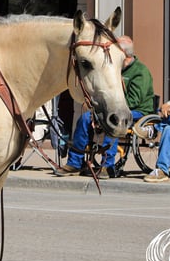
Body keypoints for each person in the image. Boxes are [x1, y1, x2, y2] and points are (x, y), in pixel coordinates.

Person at [56, 35, 155, 178]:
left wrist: (109, 108)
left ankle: (106, 165)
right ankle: (75, 163)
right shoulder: (115, 69)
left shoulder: (141, 72)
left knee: (114, 119)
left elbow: (134, 101)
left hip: (138, 112)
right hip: (114, 109)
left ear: (124, 55)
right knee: (84, 119)